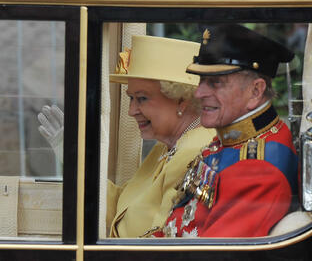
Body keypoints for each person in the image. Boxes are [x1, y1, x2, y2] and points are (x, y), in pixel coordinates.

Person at [38, 35, 215, 238]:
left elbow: (163, 239)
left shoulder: (195, 151)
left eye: (142, 98)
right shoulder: (167, 146)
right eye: (131, 98)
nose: (132, 111)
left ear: (181, 101)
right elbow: (120, 209)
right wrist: (71, 154)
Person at [151, 24, 298, 238]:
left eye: (215, 83)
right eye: (201, 80)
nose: (199, 93)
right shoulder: (233, 139)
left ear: (255, 91)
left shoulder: (260, 170)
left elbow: (214, 254)